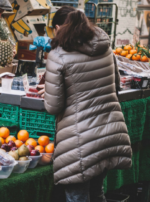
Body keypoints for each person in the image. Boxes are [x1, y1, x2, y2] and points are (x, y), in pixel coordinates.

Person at [39, 6, 132, 202]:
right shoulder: (106, 48)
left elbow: (53, 107)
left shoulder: (58, 55)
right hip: (108, 133)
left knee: (77, 197)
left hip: (80, 142)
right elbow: (116, 87)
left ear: (58, 28)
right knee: (97, 193)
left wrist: (50, 90)